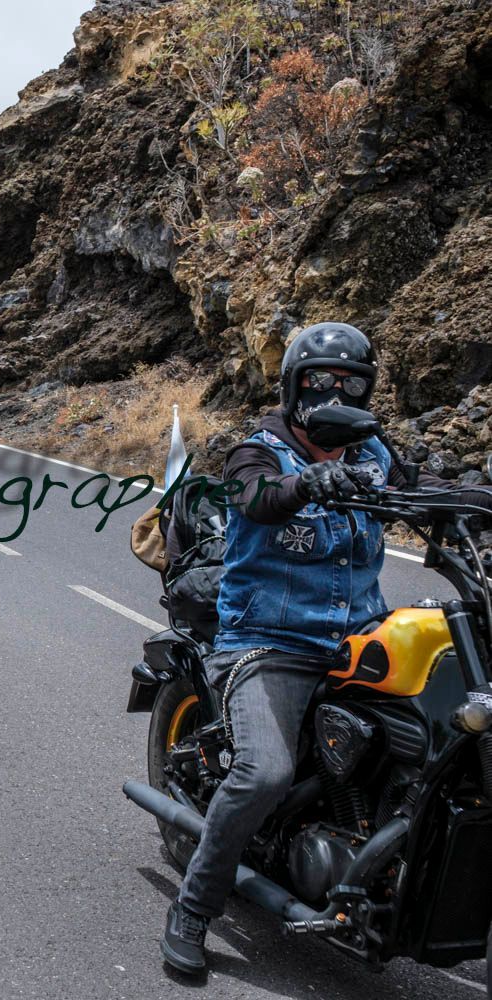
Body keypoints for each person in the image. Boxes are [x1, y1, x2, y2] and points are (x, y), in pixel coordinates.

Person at [157, 322, 483, 974]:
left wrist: (471, 500)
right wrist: (306, 486)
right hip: (271, 644)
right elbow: (256, 499)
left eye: (348, 385)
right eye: (320, 383)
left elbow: (421, 490)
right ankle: (193, 909)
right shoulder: (259, 450)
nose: (334, 395)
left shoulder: (373, 451)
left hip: (356, 636)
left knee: (445, 728)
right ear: (293, 387)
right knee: (264, 772)